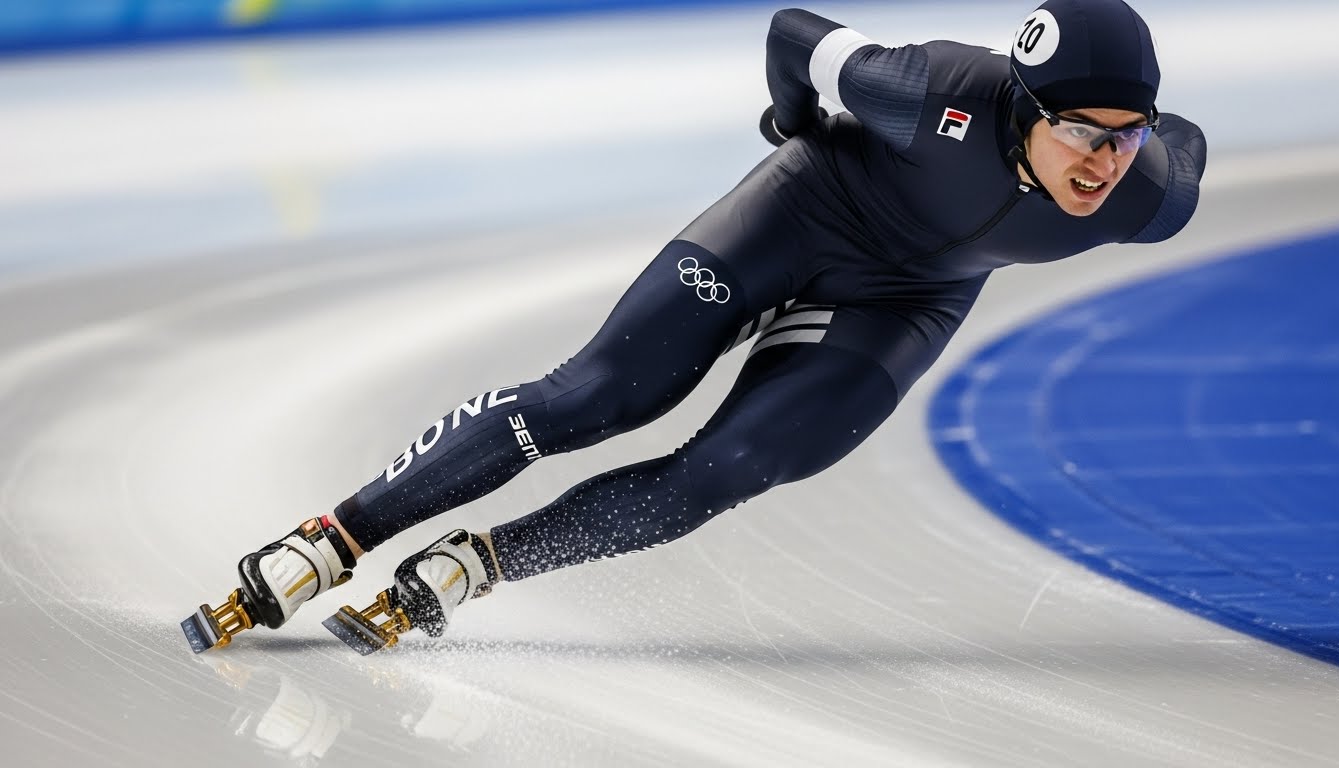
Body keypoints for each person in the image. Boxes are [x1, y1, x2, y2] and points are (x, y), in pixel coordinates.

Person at [183, 0, 1206, 654]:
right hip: (804, 213)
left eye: (1127, 137)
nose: (1104, 161)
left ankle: (480, 564)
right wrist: (799, 131)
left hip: (907, 299)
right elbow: (793, 35)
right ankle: (334, 537)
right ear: (1021, 104)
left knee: (734, 466)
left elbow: (1183, 153)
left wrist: (1161, 140)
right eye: (1082, 131)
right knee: (599, 396)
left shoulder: (1145, 193)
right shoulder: (930, 90)